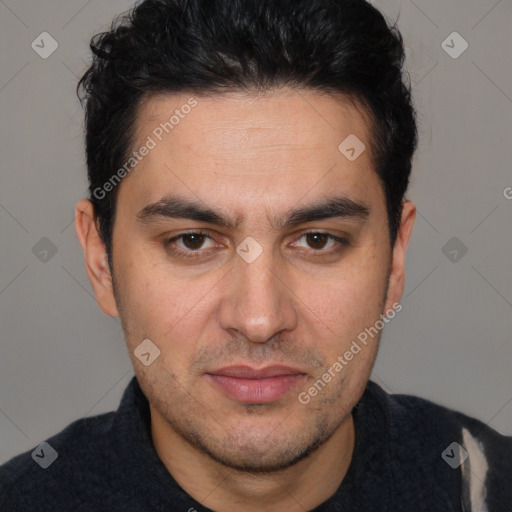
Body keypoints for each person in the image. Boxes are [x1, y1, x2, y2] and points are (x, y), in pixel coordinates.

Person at [1, 0, 511, 510]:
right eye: (193, 241)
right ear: (100, 260)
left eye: (317, 240)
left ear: (395, 258)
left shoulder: (486, 487)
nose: (259, 319)